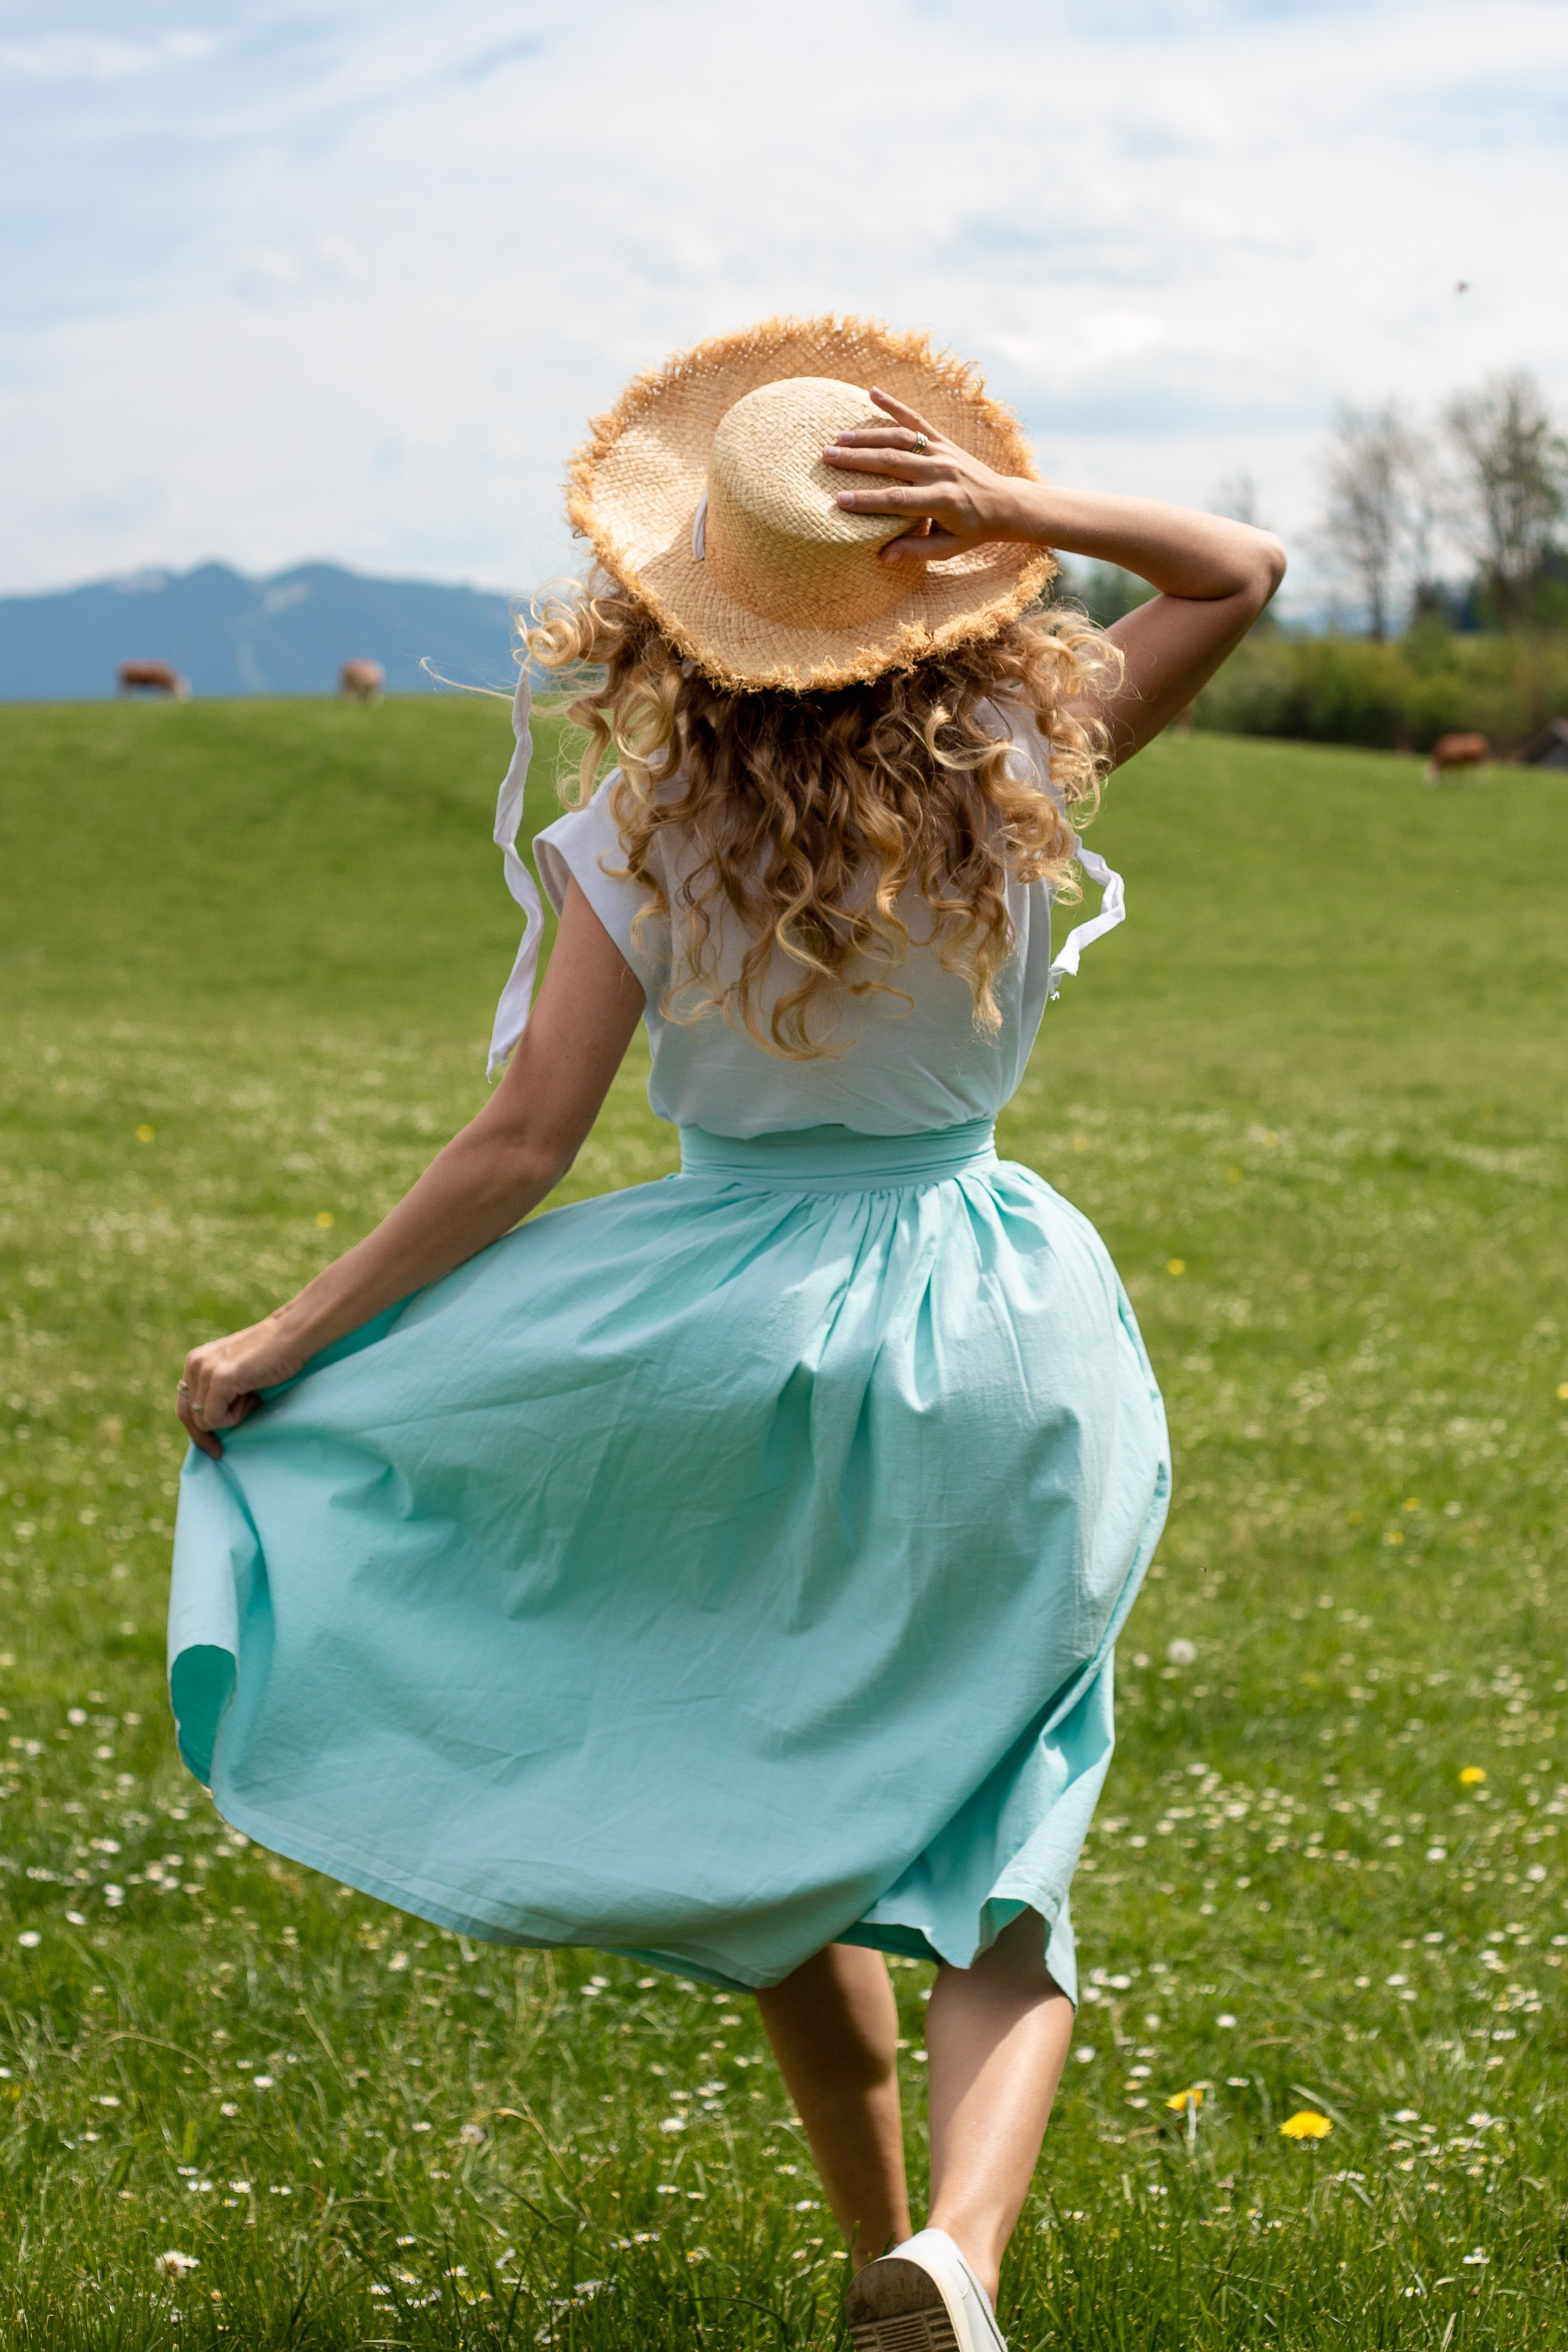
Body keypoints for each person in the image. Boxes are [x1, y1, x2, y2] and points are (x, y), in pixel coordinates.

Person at [169, 318, 1284, 2352]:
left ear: (677, 610)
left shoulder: (643, 831)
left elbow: (522, 1146)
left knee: (776, 1782)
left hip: (730, 1336)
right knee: (1008, 1836)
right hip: (996, 1325)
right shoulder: (1025, 769)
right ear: (933, 575)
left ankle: (879, 2246)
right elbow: (1239, 568)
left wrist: (286, 1337)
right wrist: (1013, 512)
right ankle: (953, 2256)